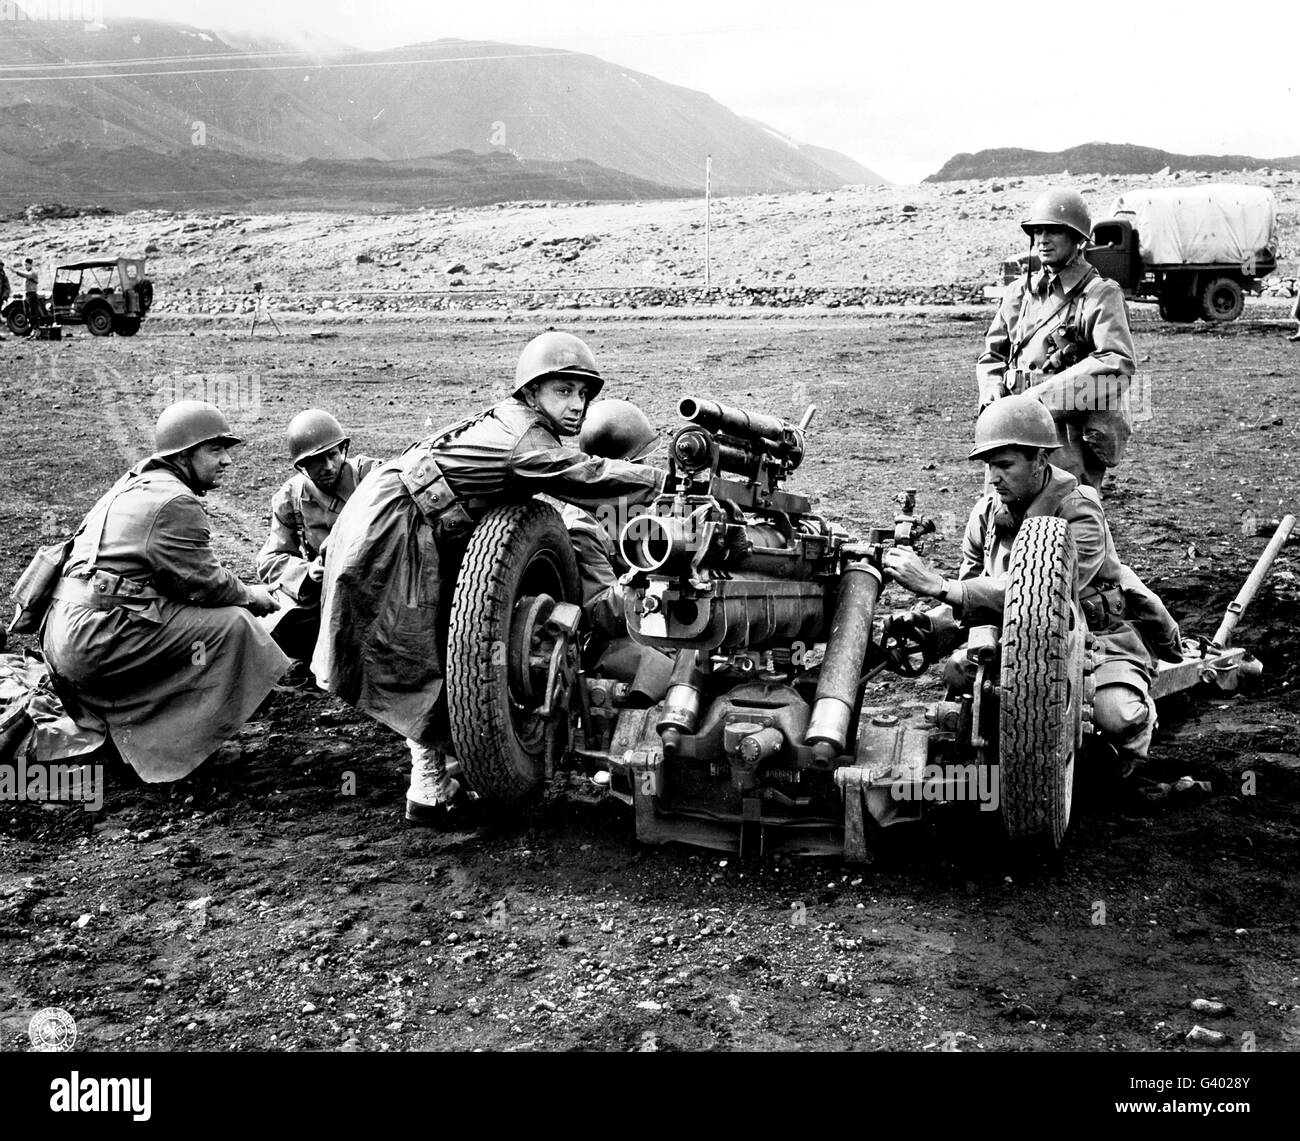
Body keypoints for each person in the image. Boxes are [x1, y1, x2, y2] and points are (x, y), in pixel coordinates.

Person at [312, 332, 665, 825]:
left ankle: (446, 772)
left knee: (447, 652)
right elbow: (582, 477)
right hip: (400, 522)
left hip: (416, 517)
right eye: (563, 391)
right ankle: (430, 790)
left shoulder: (522, 425)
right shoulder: (527, 439)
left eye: (583, 394)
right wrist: (665, 484)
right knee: (422, 656)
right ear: (532, 392)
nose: (576, 405)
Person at [882, 395, 1180, 781]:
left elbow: (1046, 594)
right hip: (1018, 636)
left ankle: (1135, 737)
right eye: (990, 465)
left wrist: (937, 586)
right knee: (959, 675)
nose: (993, 478)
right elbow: (974, 592)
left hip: (1093, 640)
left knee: (1116, 716)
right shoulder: (987, 514)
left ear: (1040, 460)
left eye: (1005, 465)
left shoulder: (1080, 511)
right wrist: (928, 621)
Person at [41, 401, 290, 783]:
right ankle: (187, 752)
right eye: (215, 450)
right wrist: (251, 595)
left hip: (66, 635)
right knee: (233, 626)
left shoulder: (135, 484)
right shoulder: (176, 501)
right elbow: (205, 584)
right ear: (185, 455)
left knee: (190, 623)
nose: (226, 461)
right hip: (95, 641)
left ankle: (126, 739)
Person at [976, 188, 1137, 491]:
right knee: (1001, 517)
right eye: (1037, 231)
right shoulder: (1019, 294)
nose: (1043, 240)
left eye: (1054, 231)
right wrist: (992, 393)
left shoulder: (1100, 294)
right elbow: (993, 357)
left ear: (1077, 239)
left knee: (1064, 518)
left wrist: (1038, 401)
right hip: (1010, 429)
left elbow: (1116, 364)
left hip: (1064, 435)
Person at [559, 398, 673, 701]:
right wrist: (649, 579)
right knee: (670, 674)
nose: (647, 471)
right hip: (605, 645)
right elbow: (599, 612)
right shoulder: (582, 529)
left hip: (648, 623)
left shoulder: (630, 507)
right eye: (639, 465)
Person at [256, 409, 381, 664]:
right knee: (282, 619)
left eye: (333, 455)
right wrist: (308, 572)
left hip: (378, 581)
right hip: (327, 589)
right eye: (317, 460)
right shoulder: (290, 498)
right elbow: (270, 559)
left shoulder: (373, 477)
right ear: (302, 465)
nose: (328, 466)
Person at [20, 258, 42, 335]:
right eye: (24, 265)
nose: (25, 266)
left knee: (33, 312)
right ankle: (32, 330)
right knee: (27, 313)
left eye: (26, 265)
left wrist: (15, 272)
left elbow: (26, 275)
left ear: (30, 265)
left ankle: (36, 330)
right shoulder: (27, 273)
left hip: (32, 294)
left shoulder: (33, 273)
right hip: (26, 294)